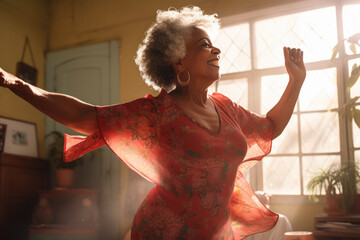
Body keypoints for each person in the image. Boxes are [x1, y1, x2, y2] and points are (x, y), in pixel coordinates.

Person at [0, 6, 306, 240]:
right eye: (204, 45)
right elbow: (85, 116)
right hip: (162, 231)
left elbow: (270, 127)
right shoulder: (157, 111)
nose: (217, 50)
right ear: (178, 60)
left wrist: (296, 81)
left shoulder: (227, 108)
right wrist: (20, 86)